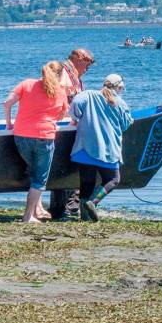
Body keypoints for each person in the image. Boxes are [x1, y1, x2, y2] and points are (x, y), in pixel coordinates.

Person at [4, 61, 69, 223]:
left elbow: (7, 103)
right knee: (40, 178)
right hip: (44, 136)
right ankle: (28, 215)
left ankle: (37, 210)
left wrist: (8, 123)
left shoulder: (27, 84)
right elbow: (63, 114)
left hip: (21, 136)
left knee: (34, 172)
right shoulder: (60, 91)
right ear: (60, 75)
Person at [72, 74, 133, 222]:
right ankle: (93, 202)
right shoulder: (120, 102)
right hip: (108, 149)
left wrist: (77, 117)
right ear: (118, 87)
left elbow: (75, 103)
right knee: (113, 179)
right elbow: (125, 125)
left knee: (86, 183)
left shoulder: (89, 95)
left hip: (84, 148)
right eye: (121, 88)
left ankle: (84, 217)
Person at [49, 48, 96, 219]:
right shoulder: (64, 72)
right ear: (80, 58)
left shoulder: (71, 74)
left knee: (60, 167)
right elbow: (58, 96)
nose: (88, 68)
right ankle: (68, 209)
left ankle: (59, 208)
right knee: (69, 168)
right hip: (64, 125)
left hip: (64, 125)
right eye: (88, 63)